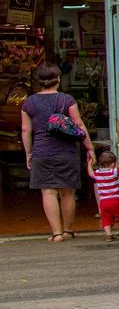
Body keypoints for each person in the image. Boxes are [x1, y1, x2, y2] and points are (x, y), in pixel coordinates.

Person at [20, 62, 94, 241]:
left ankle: (56, 233)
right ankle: (68, 230)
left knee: (48, 192)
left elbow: (25, 130)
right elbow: (79, 124)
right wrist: (90, 147)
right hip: (66, 152)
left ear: (39, 81)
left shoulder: (29, 103)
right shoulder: (66, 100)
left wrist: (29, 153)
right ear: (58, 79)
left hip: (41, 152)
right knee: (68, 192)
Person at [90, 158, 119, 238]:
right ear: (113, 164)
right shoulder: (114, 172)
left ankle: (109, 234)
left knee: (105, 219)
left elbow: (90, 172)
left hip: (104, 202)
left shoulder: (97, 174)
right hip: (116, 200)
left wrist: (89, 163)